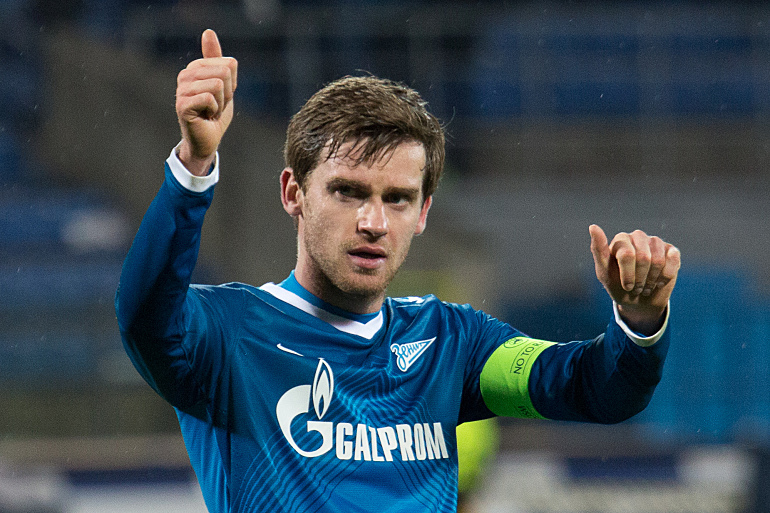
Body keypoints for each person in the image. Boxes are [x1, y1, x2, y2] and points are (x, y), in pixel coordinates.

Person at [116, 29, 681, 513]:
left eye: (398, 199)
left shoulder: (454, 343)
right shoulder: (229, 333)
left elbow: (594, 388)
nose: (373, 222)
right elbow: (145, 316)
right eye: (347, 191)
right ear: (293, 193)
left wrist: (638, 321)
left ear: (424, 211)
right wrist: (193, 166)